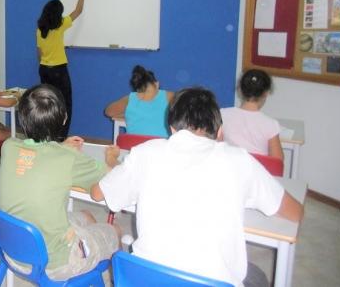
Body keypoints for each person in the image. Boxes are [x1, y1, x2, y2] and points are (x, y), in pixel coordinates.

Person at [91, 87, 303, 287]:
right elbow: (295, 213)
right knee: (256, 276)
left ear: (171, 128)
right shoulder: (240, 160)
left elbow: (99, 193)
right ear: (220, 132)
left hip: (146, 279)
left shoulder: (145, 152)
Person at [0, 84, 120, 280]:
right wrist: (112, 158)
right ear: (64, 119)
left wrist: (60, 147)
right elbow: (115, 177)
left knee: (87, 216)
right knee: (114, 230)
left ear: (22, 117)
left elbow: (39, 155)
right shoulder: (68, 158)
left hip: (12, 251)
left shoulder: (8, 146)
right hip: (54, 264)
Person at [36, 0, 88, 140]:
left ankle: (48, 135)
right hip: (59, 70)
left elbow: (39, 53)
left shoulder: (40, 29)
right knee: (65, 104)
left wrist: (45, 65)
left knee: (47, 104)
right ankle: (60, 137)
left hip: (44, 70)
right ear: (58, 14)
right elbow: (78, 10)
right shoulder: (60, 25)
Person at [220, 69, 283, 160]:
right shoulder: (271, 125)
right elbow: (278, 161)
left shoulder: (223, 114)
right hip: (256, 168)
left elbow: (216, 146)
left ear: (240, 89)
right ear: (266, 93)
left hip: (229, 167)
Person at [104, 65, 173, 138]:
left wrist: (127, 114)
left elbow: (108, 112)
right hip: (160, 144)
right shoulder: (169, 96)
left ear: (137, 88)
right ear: (157, 84)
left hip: (133, 144)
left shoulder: (129, 99)